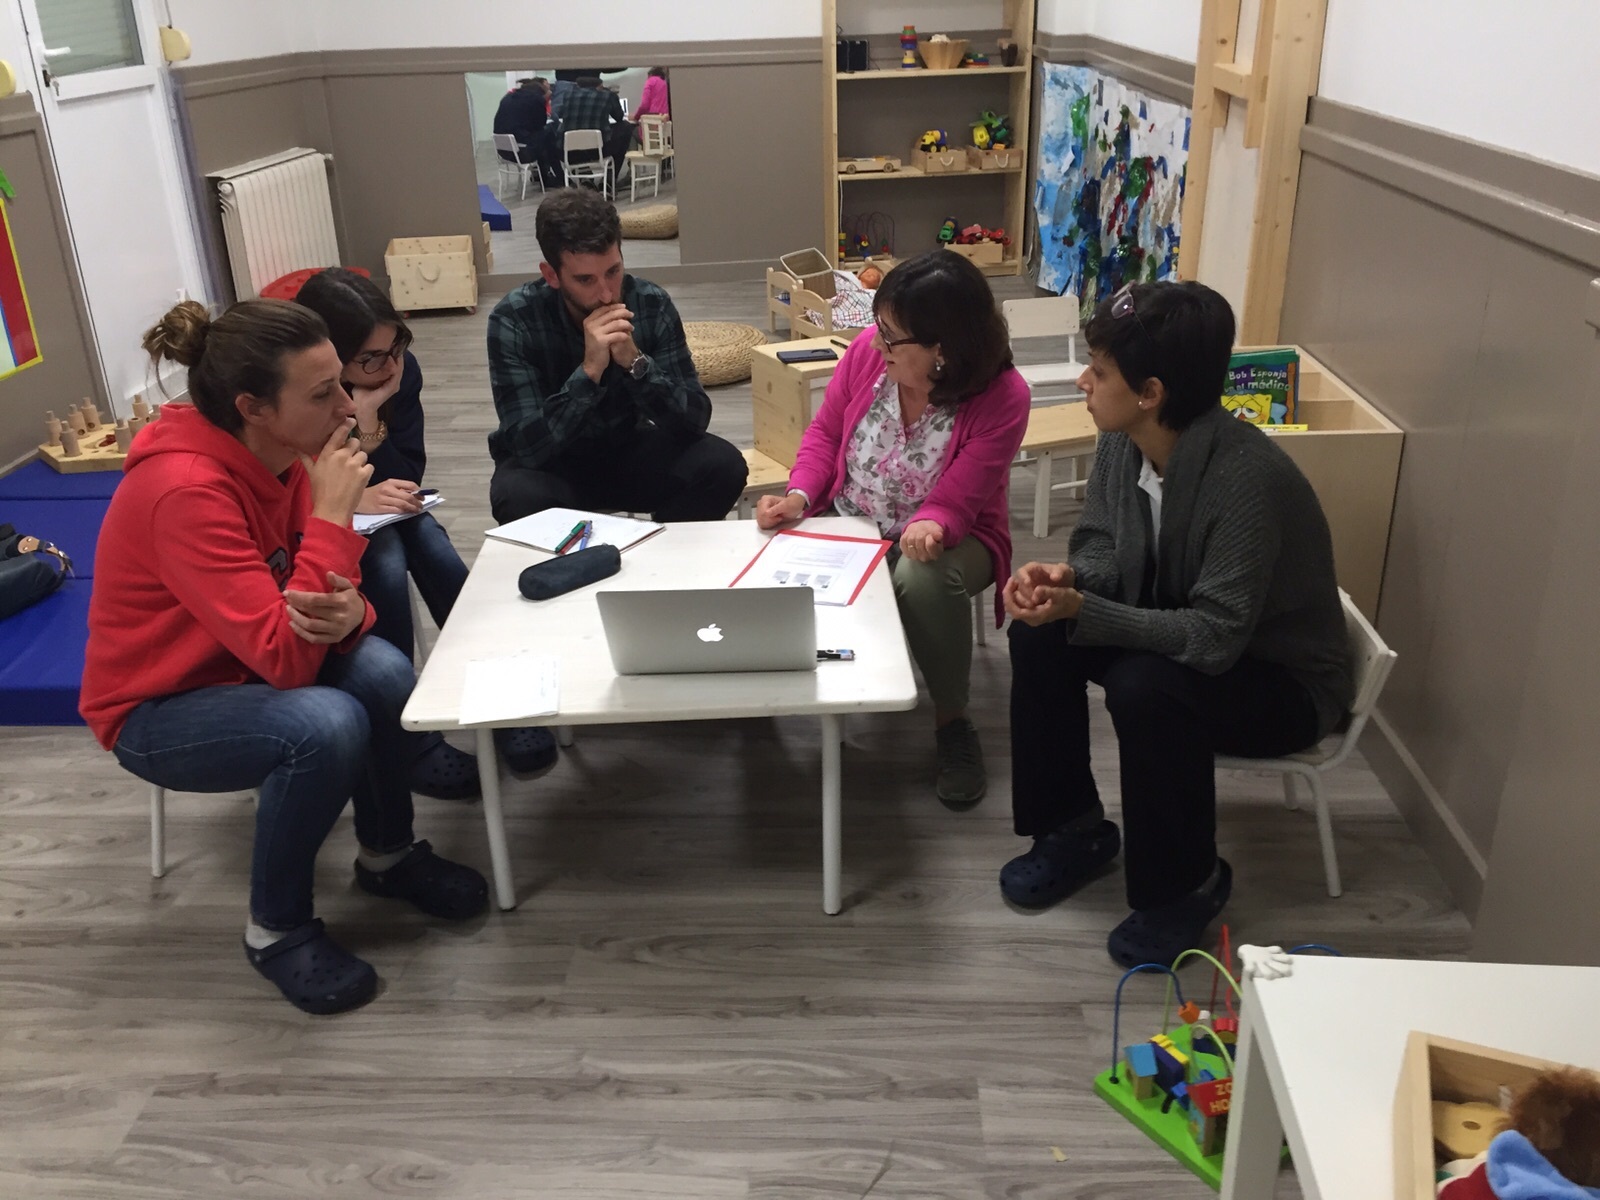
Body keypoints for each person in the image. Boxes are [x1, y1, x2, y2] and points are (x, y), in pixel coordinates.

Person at [80, 299, 491, 1015]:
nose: (348, 406)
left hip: (249, 661)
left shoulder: (283, 457)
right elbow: (289, 661)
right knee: (324, 724)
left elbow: (328, 604)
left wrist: (354, 614)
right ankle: (275, 929)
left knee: (384, 669)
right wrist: (335, 516)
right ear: (254, 408)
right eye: (324, 392)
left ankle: (388, 856)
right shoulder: (184, 492)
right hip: (160, 707)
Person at [1000, 281, 1353, 968]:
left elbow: (1215, 639)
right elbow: (1100, 544)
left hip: (1283, 681)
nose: (1083, 381)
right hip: (1188, 628)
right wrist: (1070, 581)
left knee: (1144, 687)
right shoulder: (1124, 439)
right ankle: (1072, 830)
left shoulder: (1247, 480)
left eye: (1099, 371)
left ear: (1151, 392)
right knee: (1038, 633)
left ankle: (1184, 887)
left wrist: (1088, 609)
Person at [755, 251, 1030, 808]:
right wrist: (799, 496)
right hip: (853, 519)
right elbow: (825, 435)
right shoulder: (867, 354)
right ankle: (767, 695)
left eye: (891, 336)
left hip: (957, 535)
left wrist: (930, 523)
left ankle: (952, 720)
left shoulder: (1004, 396)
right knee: (764, 557)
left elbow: (960, 500)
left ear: (942, 349)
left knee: (921, 576)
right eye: (879, 329)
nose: (876, 344)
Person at [294, 268, 558, 781]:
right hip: (312, 527)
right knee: (386, 561)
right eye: (372, 357)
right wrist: (353, 490)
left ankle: (503, 703)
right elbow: (284, 487)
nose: (391, 365)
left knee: (429, 541)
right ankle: (405, 737)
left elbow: (406, 475)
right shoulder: (300, 392)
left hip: (366, 510)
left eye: (397, 347)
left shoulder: (397, 372)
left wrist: (369, 423)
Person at [486, 187, 748, 525]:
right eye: (585, 280)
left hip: (627, 449)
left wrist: (636, 363)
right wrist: (589, 373)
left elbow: (694, 419)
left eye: (613, 271)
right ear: (551, 275)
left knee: (723, 465)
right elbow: (527, 446)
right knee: (516, 496)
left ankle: (659, 556)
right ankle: (583, 557)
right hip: (554, 465)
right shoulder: (514, 318)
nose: (607, 293)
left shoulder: (650, 303)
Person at [559, 75, 632, 184]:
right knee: (625, 127)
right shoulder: (608, 95)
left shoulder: (568, 95)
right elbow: (619, 117)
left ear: (578, 86)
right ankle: (609, 180)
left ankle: (585, 179)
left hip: (569, 152)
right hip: (599, 150)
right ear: (600, 86)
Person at [493, 77, 558, 186]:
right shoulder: (536, 99)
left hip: (504, 151)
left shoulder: (507, 98)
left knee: (542, 138)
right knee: (548, 136)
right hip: (522, 153)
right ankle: (553, 177)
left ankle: (542, 175)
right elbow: (540, 124)